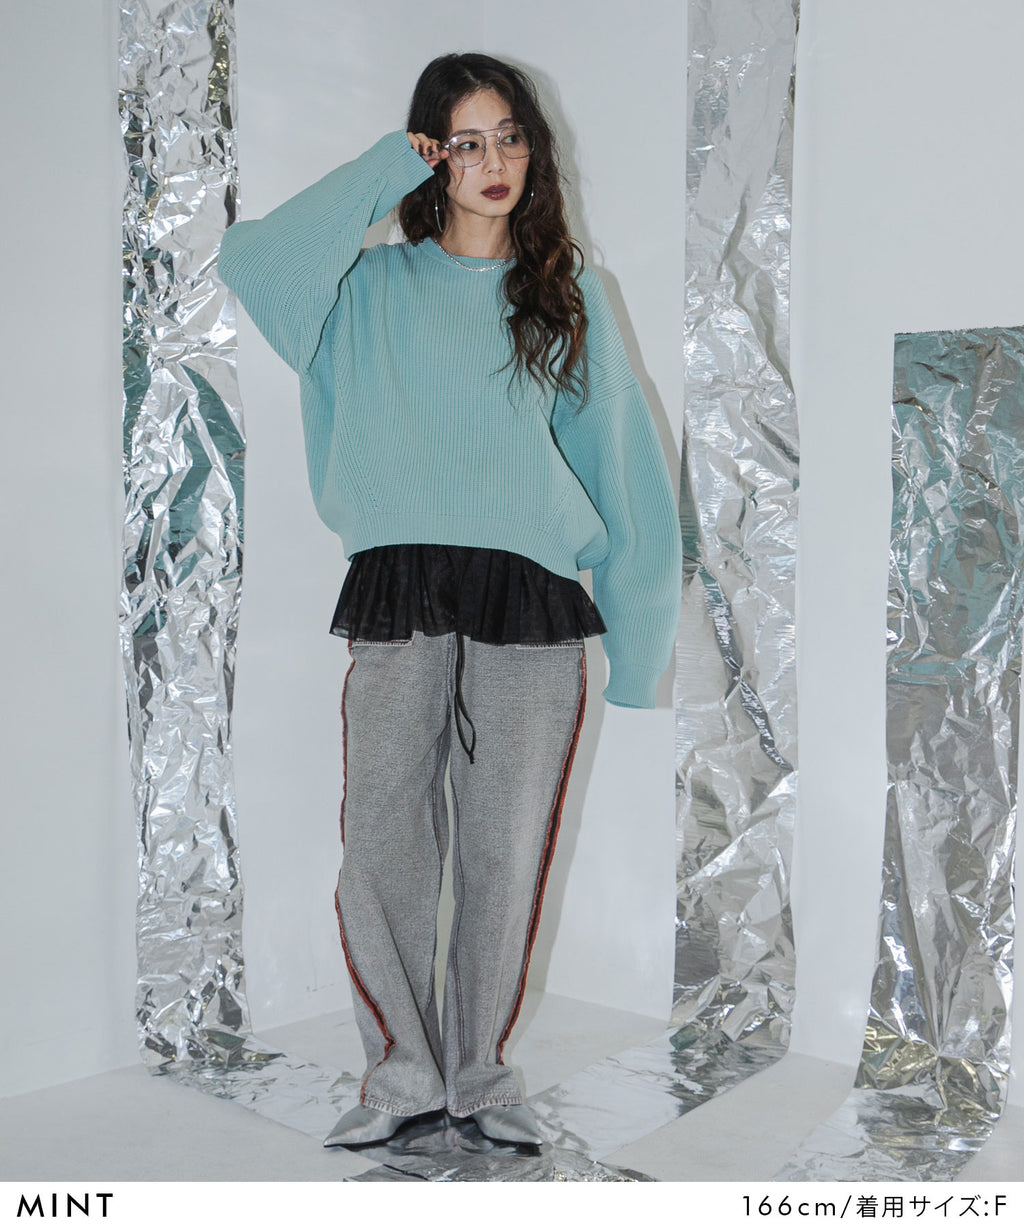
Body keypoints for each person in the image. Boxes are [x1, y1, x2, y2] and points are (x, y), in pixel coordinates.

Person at [218, 52, 681, 1149]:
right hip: (402, 586)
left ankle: (480, 1073)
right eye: (464, 141)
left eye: (509, 136)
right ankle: (400, 1072)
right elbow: (251, 258)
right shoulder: (359, 290)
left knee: (503, 849)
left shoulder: (567, 297)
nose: (493, 161)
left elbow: (625, 472)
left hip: (531, 598)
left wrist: (640, 645)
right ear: (430, 155)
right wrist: (385, 165)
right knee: (382, 839)